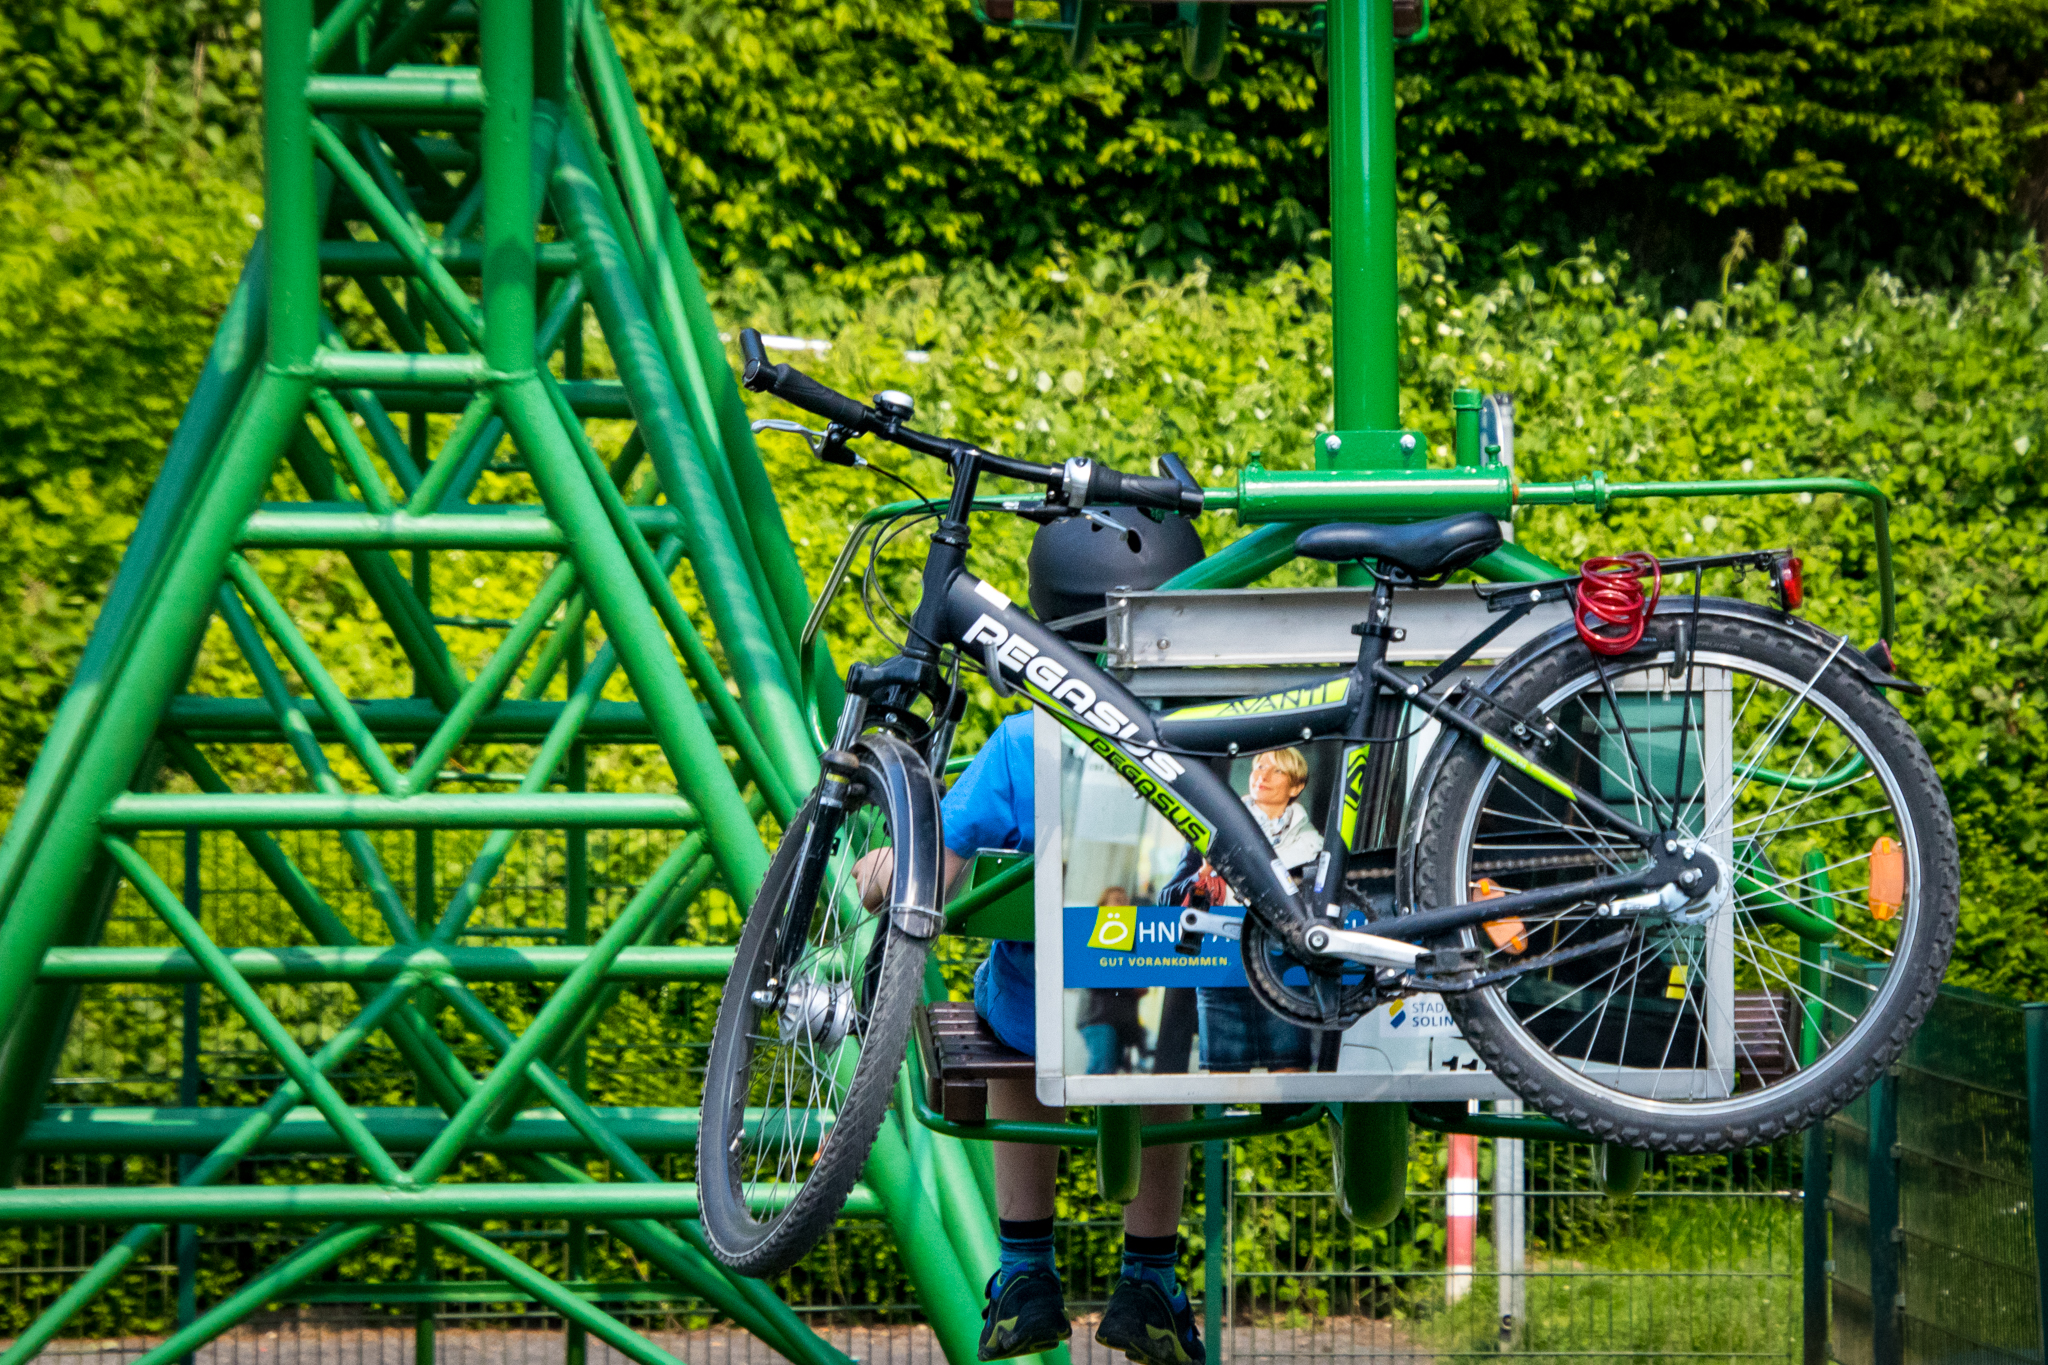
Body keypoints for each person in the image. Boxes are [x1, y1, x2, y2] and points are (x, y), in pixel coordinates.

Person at [857, 505, 1209, 1365]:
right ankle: (1151, 1275)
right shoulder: (1218, 736)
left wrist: (883, 869)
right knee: (1169, 1047)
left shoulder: (1021, 742)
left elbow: (933, 871)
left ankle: (1024, 1267)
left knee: (1016, 1031)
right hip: (1175, 1014)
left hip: (1042, 1020)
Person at [1167, 747, 1322, 1074]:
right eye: (1258, 766)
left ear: (1295, 787)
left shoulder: (1314, 846)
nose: (1261, 775)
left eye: (1276, 770)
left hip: (1285, 972)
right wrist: (1202, 875)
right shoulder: (1209, 832)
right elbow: (1168, 898)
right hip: (1222, 970)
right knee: (1222, 1084)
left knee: (1289, 1087)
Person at [1079, 890, 1148, 1074]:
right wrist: (1132, 987)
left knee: (1112, 1076)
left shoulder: (1127, 937)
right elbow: (1094, 976)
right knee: (1101, 1072)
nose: (1123, 905)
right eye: (1117, 900)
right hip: (1099, 1018)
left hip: (1121, 1021)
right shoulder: (1097, 932)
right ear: (1103, 906)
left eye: (1126, 901)